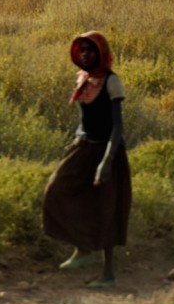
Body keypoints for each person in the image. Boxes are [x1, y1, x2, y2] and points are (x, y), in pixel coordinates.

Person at [42, 31, 131, 289]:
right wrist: (77, 141)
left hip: (107, 151)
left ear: (101, 53)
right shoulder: (84, 79)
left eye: (91, 50)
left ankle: (108, 274)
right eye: (82, 50)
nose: (85, 54)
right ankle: (83, 249)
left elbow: (117, 128)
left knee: (106, 209)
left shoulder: (112, 82)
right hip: (84, 146)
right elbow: (86, 120)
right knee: (56, 190)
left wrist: (106, 162)